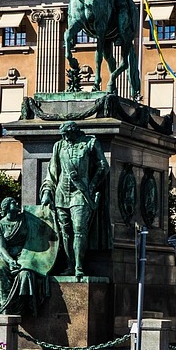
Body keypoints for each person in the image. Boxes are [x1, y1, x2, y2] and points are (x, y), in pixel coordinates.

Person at [40, 120, 110, 279]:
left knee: (79, 230)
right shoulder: (59, 146)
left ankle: (79, 266)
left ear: (74, 131)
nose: (64, 137)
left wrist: (91, 187)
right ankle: (70, 265)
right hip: (61, 195)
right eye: (62, 135)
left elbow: (103, 166)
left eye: (67, 134)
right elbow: (52, 171)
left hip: (81, 194)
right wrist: (47, 193)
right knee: (65, 233)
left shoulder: (90, 143)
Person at [0, 196, 52, 315]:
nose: (16, 203)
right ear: (6, 207)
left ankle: (24, 306)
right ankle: (5, 307)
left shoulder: (25, 219)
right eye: (13, 202)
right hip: (5, 257)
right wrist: (10, 260)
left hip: (25, 256)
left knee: (25, 274)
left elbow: (41, 224)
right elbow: (1, 247)